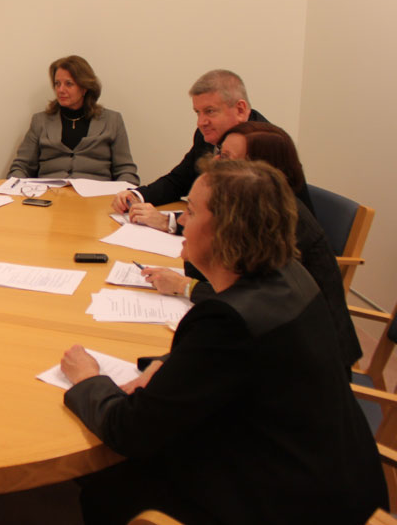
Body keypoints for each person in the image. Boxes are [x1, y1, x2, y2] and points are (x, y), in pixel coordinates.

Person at [60, 160, 386, 524]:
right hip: (341, 477)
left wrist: (89, 379)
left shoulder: (225, 320)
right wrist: (167, 366)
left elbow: (129, 431)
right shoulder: (290, 273)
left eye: (192, 211)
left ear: (225, 231)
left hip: (291, 504)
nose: (181, 220)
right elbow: (240, 360)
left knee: (107, 487)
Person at [140, 122, 361, 371]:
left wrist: (186, 287)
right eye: (219, 153)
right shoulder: (257, 214)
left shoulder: (277, 225)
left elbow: (256, 304)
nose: (216, 164)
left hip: (306, 364)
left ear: (257, 172)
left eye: (228, 159)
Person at [112, 69, 268, 233]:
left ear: (240, 110)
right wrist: (137, 196)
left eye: (210, 111)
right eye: (197, 113)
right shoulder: (208, 135)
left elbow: (240, 217)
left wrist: (168, 221)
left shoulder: (264, 144)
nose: (201, 122)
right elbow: (180, 180)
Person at [8, 56, 138, 184]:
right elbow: (21, 166)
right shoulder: (40, 121)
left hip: (96, 199)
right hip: (49, 198)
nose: (60, 90)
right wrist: (15, 186)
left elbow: (125, 170)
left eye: (68, 84)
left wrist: (124, 195)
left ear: (84, 88)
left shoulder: (112, 120)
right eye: (57, 84)